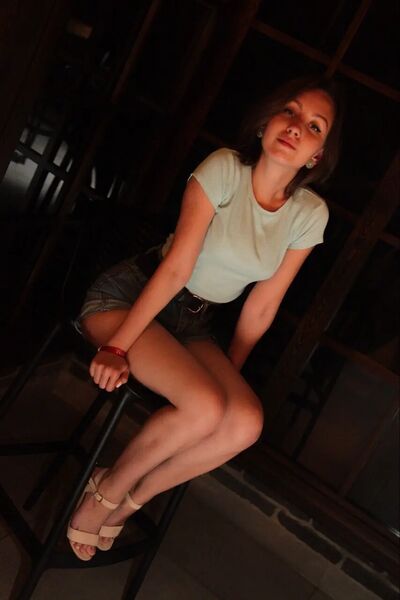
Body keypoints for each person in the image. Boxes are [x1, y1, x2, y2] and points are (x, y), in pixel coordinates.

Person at [67, 76, 343, 560]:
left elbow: (262, 305)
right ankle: (104, 493)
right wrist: (116, 346)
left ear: (316, 157)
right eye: (290, 111)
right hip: (132, 299)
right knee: (205, 408)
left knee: (243, 423)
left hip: (193, 322)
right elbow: (177, 268)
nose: (297, 127)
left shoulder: (308, 215)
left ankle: (131, 500)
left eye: (314, 126)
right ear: (265, 123)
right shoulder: (224, 169)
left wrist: (227, 375)